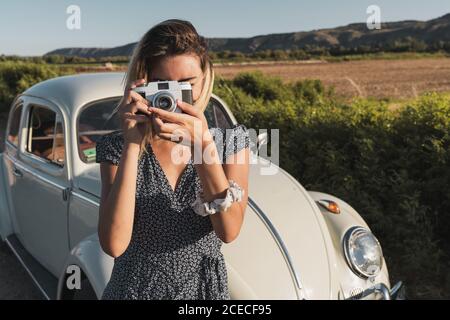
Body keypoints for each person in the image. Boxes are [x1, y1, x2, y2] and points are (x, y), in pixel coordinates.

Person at [95, 19, 251, 300]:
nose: (174, 97)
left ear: (205, 79)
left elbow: (229, 231)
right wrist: (132, 144)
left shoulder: (230, 144)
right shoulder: (117, 147)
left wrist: (203, 146)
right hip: (134, 291)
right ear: (144, 85)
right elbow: (114, 245)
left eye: (186, 84)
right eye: (163, 85)